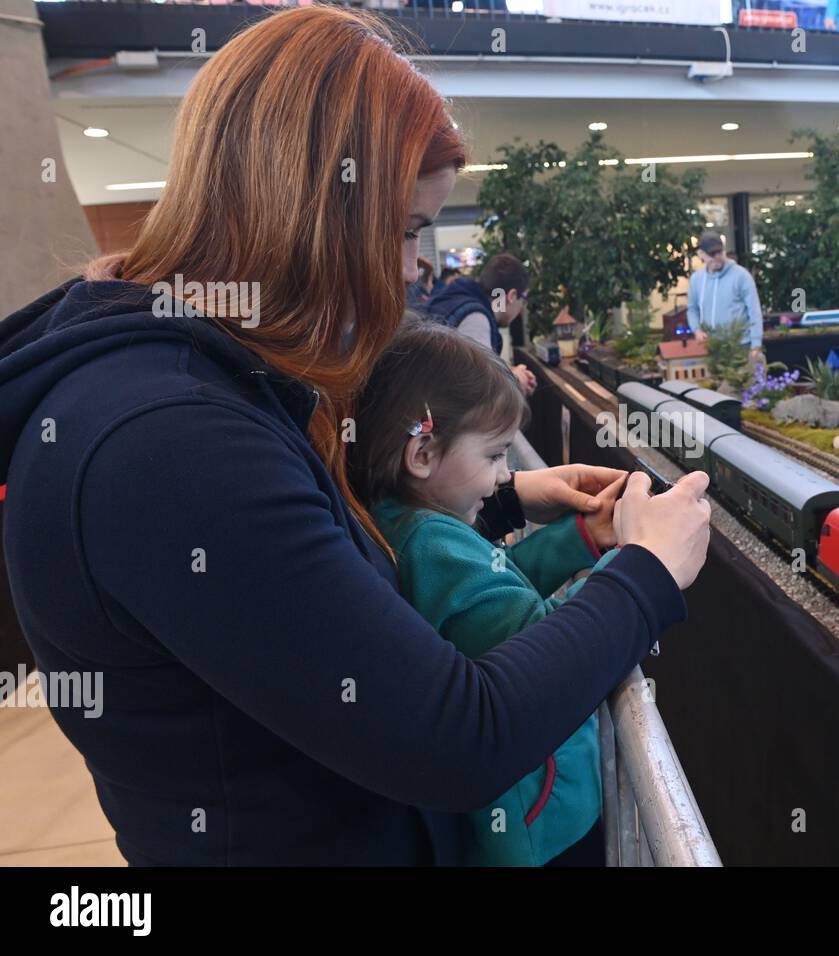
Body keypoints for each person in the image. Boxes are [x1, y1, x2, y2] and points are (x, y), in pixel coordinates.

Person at [0, 6, 711, 867]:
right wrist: (646, 574)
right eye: (406, 230)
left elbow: (315, 581)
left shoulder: (193, 378)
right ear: (311, 211)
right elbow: (458, 736)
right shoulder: (169, 445)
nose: (414, 269)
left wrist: (503, 499)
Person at [350, 323, 618, 866]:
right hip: (541, 829)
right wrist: (633, 563)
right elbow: (539, 639)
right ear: (422, 453)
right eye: (495, 455)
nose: (504, 478)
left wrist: (582, 539)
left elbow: (499, 590)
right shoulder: (433, 542)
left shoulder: (408, 521)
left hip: (533, 813)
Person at [424, 254, 536, 397]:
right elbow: (482, 393)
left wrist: (509, 372)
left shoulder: (458, 298)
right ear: (512, 296)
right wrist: (517, 380)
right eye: (524, 298)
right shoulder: (476, 319)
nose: (521, 307)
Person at [687, 231, 764, 361]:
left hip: (741, 345)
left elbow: (754, 310)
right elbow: (692, 309)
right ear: (701, 254)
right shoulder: (696, 279)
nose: (717, 257)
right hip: (711, 345)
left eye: (720, 252)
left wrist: (756, 345)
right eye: (712, 254)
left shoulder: (742, 276)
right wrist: (697, 330)